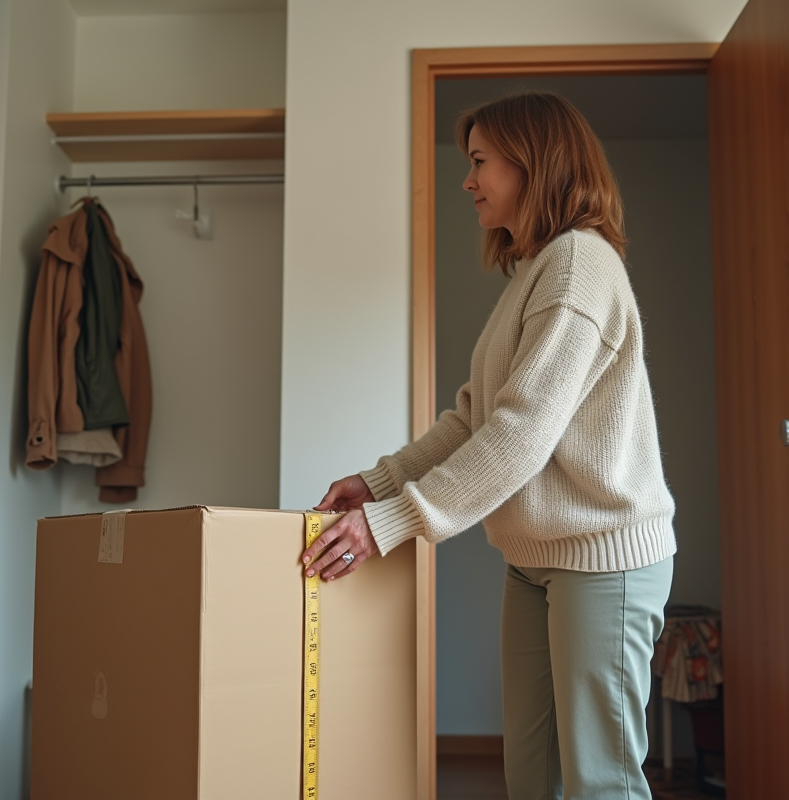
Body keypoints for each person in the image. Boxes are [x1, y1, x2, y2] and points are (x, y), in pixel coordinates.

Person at [299, 92, 676, 800]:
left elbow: (520, 437)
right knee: (532, 779)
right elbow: (474, 419)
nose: (467, 181)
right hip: (533, 562)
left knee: (602, 783)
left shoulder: (578, 268)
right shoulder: (534, 270)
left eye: (479, 162)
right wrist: (377, 483)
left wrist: (391, 524)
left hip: (602, 560)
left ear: (533, 162)